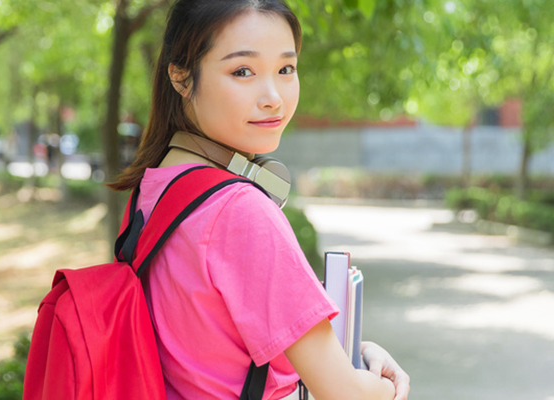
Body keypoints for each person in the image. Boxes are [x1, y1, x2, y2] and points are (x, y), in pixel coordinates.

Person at [109, 1, 410, 399]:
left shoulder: (154, 187)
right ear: (181, 77)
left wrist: (346, 356)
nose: (273, 98)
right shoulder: (239, 211)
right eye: (243, 71)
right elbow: (346, 395)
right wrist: (387, 387)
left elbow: (210, 354)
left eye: (286, 69)